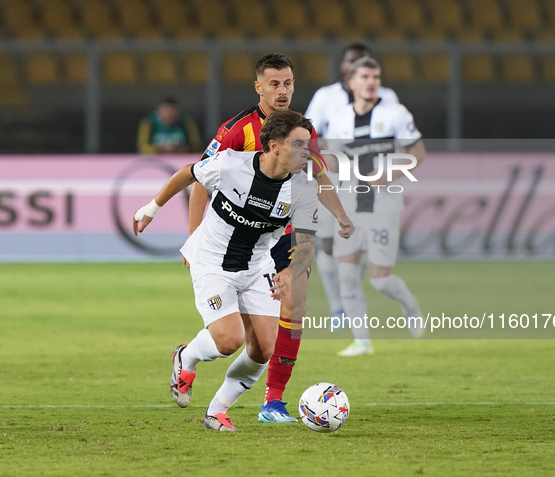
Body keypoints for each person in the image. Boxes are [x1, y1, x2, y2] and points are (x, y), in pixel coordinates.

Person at [188, 53, 354, 424]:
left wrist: (340, 215)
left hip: (285, 231)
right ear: (259, 86)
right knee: (248, 337)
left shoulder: (299, 130)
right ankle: (200, 368)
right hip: (239, 239)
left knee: (294, 306)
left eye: (289, 83)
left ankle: (273, 401)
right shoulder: (236, 130)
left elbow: (319, 178)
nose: (283, 91)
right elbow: (199, 179)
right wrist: (195, 236)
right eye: (275, 84)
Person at [133, 110, 319, 431]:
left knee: (263, 349)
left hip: (258, 265)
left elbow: (306, 241)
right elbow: (188, 174)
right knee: (229, 340)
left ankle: (217, 411)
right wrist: (152, 207)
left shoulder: (303, 189)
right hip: (212, 262)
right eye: (298, 145)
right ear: (274, 146)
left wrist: (290, 271)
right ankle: (186, 357)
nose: (306, 153)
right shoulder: (231, 164)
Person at [325, 56, 427, 357]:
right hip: (349, 204)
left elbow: (418, 153)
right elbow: (334, 160)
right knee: (346, 275)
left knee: (380, 280)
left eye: (376, 77)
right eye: (365, 77)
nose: (371, 82)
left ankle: (410, 306)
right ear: (352, 83)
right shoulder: (340, 119)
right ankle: (362, 341)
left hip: (384, 205)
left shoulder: (395, 114)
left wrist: (389, 175)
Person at [305, 43, 398, 324]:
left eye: (362, 61)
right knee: (328, 243)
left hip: (367, 180)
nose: (355, 66)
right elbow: (309, 133)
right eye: (351, 61)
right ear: (345, 67)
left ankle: (350, 299)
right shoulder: (326, 97)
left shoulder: (387, 97)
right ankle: (338, 307)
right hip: (331, 176)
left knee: (359, 242)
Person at [137, 96, 202, 154]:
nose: (169, 114)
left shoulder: (187, 122)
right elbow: (142, 148)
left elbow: (197, 146)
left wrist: (184, 148)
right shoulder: (148, 123)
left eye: (172, 111)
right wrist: (160, 149)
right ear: (159, 111)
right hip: (155, 162)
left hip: (182, 159)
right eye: (166, 110)